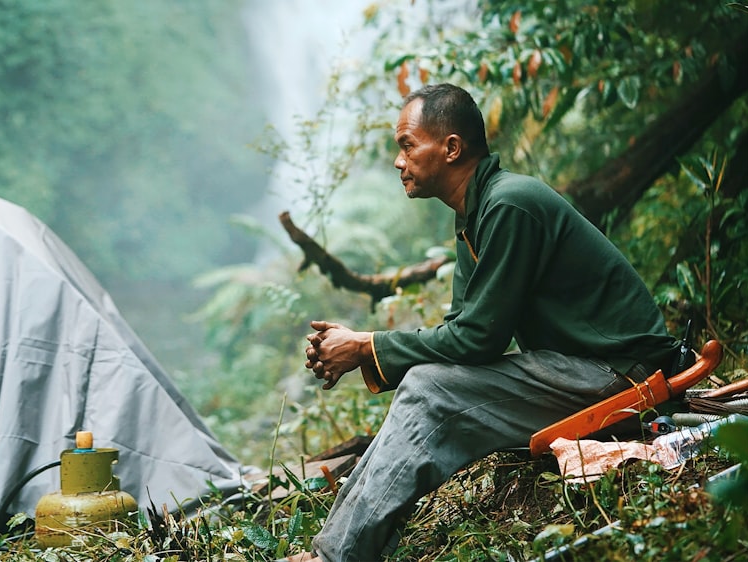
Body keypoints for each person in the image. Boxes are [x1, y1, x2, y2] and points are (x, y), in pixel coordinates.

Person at [289, 83, 679, 562]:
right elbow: (464, 330)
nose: (398, 161)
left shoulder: (509, 204)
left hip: (619, 370)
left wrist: (366, 346)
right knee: (426, 383)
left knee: (429, 388)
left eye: (408, 145)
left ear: (451, 148)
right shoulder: (475, 214)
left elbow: (476, 339)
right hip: (581, 366)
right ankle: (332, 549)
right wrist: (363, 348)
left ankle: (334, 556)